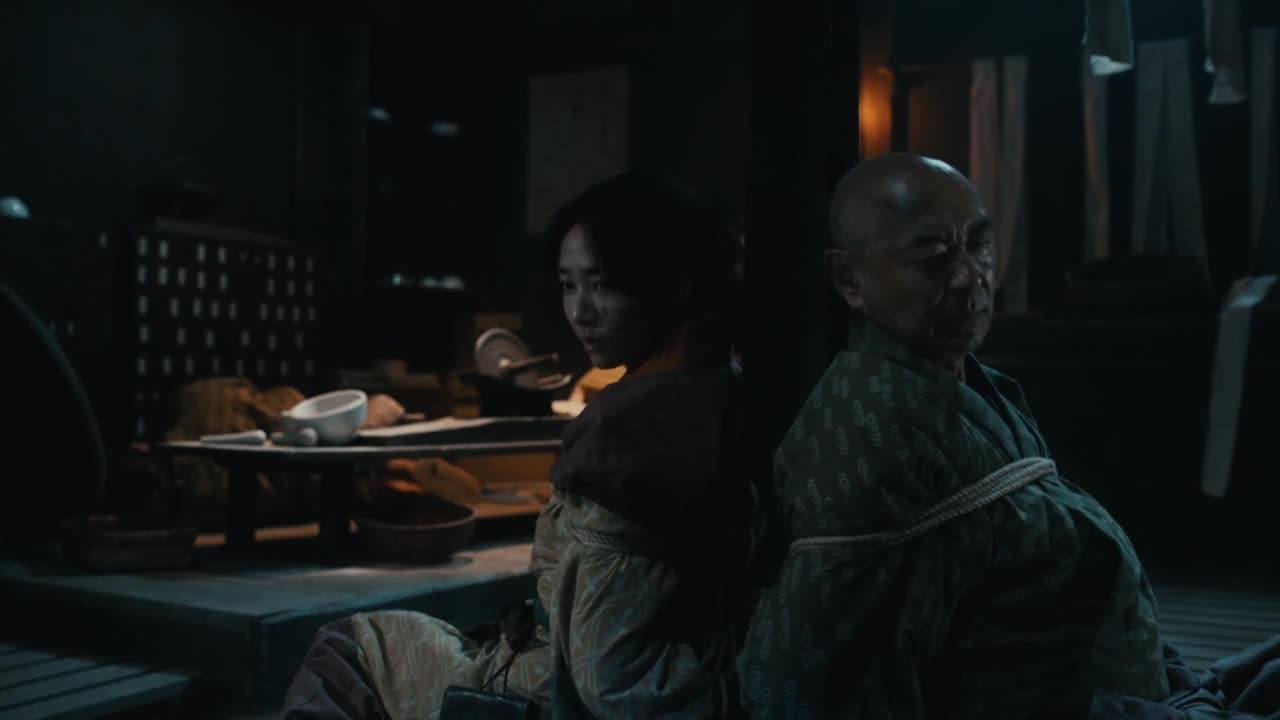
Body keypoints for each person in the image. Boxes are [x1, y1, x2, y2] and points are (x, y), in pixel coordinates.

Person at [282, 171, 751, 719]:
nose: (580, 312)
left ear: (675, 283)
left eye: (602, 284)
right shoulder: (715, 380)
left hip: (552, 691)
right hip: (575, 659)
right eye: (568, 285)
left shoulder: (633, 436)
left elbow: (611, 677)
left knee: (347, 650)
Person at [736, 153, 1172, 719]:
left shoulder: (972, 384)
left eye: (979, 244)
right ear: (849, 278)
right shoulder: (867, 432)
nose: (971, 278)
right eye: (933, 257)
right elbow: (806, 668)